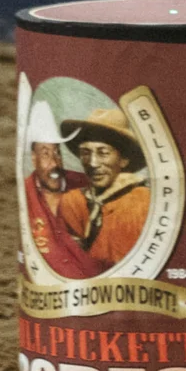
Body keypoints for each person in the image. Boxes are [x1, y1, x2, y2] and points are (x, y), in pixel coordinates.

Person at [54, 115, 152, 270]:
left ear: (123, 160)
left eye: (103, 153)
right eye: (85, 153)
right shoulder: (73, 201)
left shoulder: (144, 201)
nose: (93, 163)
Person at [23, 121, 101, 281]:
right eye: (45, 154)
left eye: (57, 153)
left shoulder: (86, 186)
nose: (54, 162)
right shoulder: (26, 193)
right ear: (33, 159)